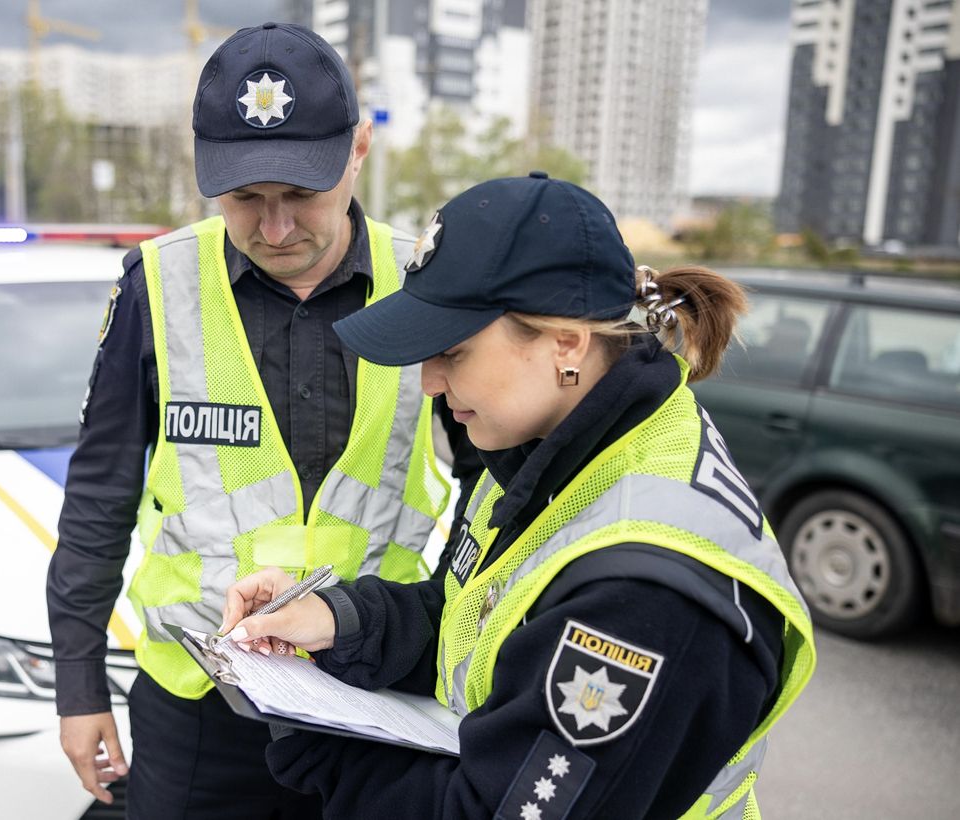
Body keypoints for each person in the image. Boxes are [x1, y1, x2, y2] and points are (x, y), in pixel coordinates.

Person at [221, 174, 817, 819]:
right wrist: (340, 623)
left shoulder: (646, 598)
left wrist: (311, 739)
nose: (428, 383)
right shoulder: (557, 446)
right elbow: (472, 621)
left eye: (452, 351)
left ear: (567, 342)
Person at [46, 21, 478, 818]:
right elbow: (101, 496)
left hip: (373, 699)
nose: (275, 229)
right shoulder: (157, 285)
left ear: (358, 149)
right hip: (199, 713)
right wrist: (78, 689)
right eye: (247, 199)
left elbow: (493, 498)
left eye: (302, 196)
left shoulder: (428, 287)